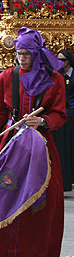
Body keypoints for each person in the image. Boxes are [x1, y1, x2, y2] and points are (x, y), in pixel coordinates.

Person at [0, 27, 66, 257]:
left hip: (40, 149)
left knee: (37, 208)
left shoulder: (55, 80)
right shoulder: (6, 77)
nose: (21, 58)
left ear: (37, 53)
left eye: (26, 53)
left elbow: (59, 115)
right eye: (18, 53)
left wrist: (43, 120)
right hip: (10, 146)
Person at [53, 49, 74, 191]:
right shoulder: (57, 76)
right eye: (58, 60)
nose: (60, 63)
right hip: (62, 115)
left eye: (63, 60)